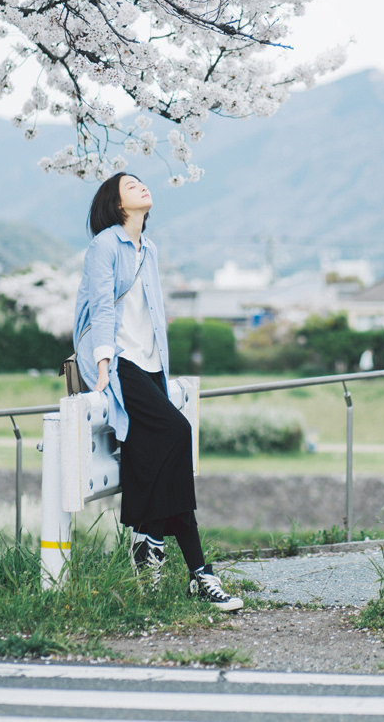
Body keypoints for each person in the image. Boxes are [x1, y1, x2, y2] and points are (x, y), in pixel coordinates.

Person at [74, 171, 242, 612]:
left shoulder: (149, 249)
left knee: (152, 460)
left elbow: (152, 317)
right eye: (131, 187)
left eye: (141, 184)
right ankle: (183, 561)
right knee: (177, 432)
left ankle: (167, 553)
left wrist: (163, 372)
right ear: (116, 203)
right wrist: (105, 365)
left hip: (149, 366)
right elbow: (103, 305)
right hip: (118, 362)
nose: (142, 188)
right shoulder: (104, 245)